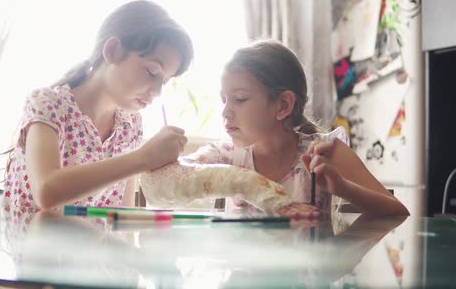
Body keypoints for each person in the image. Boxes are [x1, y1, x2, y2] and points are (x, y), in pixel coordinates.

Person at [141, 39, 409, 217]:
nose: (225, 111)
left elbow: (398, 212)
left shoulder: (324, 153)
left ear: (282, 105)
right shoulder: (226, 156)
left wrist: (344, 188)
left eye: (240, 99)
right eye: (224, 100)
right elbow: (159, 183)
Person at [2, 0, 193, 223]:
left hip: (95, 256)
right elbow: (46, 191)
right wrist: (144, 157)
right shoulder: (48, 105)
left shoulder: (130, 126)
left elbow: (123, 217)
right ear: (112, 51)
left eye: (165, 81)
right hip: (35, 252)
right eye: (152, 72)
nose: (158, 91)